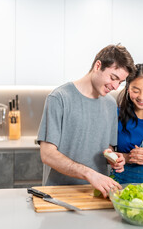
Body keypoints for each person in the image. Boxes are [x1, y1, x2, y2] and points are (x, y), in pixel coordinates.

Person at [37, 44, 135, 197]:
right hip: (58, 194)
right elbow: (47, 154)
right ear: (98, 66)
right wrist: (89, 174)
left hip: (97, 194)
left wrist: (114, 158)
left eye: (120, 82)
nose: (116, 86)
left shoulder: (110, 104)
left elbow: (107, 148)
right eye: (113, 78)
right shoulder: (59, 98)